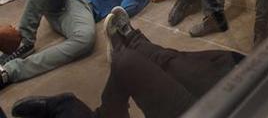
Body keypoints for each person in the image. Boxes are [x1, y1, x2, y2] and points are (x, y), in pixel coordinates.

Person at [10, 6, 244, 118]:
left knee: (127, 63)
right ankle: (135, 41)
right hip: (241, 84)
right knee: (171, 60)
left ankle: (81, 109)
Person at [0, 0, 167, 89]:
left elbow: (124, 10)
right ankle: (24, 41)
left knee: (85, 39)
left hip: (82, 11)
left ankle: (10, 71)